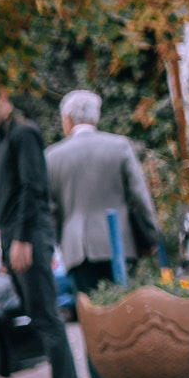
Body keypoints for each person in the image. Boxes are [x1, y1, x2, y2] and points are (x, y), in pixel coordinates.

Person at [0, 79, 81, 378]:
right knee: (38, 314)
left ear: (1, 95)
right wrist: (6, 247)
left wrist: (21, 240)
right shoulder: (1, 140)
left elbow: (34, 189)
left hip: (29, 238)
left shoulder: (24, 133)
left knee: (46, 314)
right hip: (15, 239)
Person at [46, 89, 162, 298]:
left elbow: (51, 210)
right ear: (95, 116)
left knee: (92, 315)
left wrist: (54, 246)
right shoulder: (119, 147)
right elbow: (139, 197)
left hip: (78, 250)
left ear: (68, 118)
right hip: (121, 243)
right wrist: (150, 237)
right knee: (126, 310)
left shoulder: (52, 157)